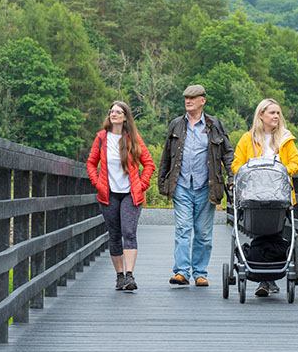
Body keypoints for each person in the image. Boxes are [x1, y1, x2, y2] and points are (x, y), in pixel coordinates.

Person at [158, 84, 234, 286]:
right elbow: (166, 155)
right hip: (181, 185)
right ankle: (182, 271)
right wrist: (162, 181)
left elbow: (227, 152)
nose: (188, 101)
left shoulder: (214, 125)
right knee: (183, 229)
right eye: (186, 98)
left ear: (203, 101)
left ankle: (200, 273)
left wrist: (232, 177)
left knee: (203, 233)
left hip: (206, 186)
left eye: (192, 98)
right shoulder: (176, 124)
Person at [232, 98, 298, 297]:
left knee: (275, 231)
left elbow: (295, 163)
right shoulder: (247, 139)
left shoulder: (286, 140)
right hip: (254, 195)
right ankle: (265, 278)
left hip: (279, 195)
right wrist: (252, 172)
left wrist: (280, 170)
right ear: (261, 115)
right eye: (272, 113)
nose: (276, 117)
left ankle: (267, 278)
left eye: (278, 113)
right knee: (261, 231)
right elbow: (237, 164)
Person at [87, 101, 155, 290]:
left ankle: (130, 276)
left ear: (125, 117)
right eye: (112, 111)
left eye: (118, 112)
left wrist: (142, 185)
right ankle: (119, 276)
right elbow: (91, 163)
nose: (114, 114)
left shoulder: (133, 138)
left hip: (130, 194)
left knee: (129, 232)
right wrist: (97, 182)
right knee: (115, 234)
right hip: (108, 194)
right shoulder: (101, 138)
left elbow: (149, 164)